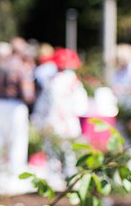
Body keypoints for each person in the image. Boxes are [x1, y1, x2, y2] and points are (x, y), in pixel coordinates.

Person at [0, 38, 36, 188]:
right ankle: (15, 176)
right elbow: (27, 93)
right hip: (14, 106)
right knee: (17, 141)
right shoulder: (21, 68)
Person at [30, 47, 88, 176]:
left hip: (55, 121)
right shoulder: (74, 82)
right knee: (68, 153)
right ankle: (69, 176)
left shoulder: (53, 81)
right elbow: (81, 107)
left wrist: (39, 118)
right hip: (67, 122)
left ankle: (56, 177)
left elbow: (43, 104)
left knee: (54, 152)